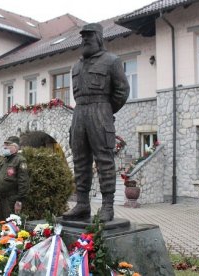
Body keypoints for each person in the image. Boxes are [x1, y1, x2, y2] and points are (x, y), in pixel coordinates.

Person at [63, 23, 130, 222]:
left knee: (104, 161)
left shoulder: (112, 61)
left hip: (100, 111)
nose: (85, 40)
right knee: (80, 161)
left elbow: (122, 91)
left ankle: (107, 206)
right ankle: (82, 204)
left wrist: (106, 110)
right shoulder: (77, 66)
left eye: (89, 36)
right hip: (79, 113)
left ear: (99, 38)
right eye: (83, 37)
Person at [0, 136, 30, 221]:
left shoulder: (20, 160)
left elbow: (23, 182)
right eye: (4, 145)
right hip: (1, 199)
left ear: (15, 147)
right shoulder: (4, 161)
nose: (4, 147)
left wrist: (19, 201)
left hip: (11, 201)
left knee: (11, 226)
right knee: (0, 225)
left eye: (7, 145)